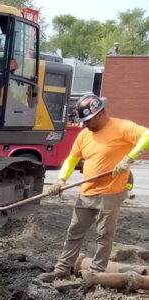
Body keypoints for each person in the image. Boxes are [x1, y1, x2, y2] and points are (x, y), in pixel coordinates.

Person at [38, 93, 149, 282]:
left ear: (99, 113)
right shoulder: (84, 135)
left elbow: (147, 135)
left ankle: (95, 274)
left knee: (103, 235)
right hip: (86, 192)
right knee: (74, 232)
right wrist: (61, 180)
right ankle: (61, 270)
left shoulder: (122, 127)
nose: (84, 125)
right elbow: (72, 159)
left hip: (110, 193)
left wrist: (129, 158)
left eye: (87, 120)